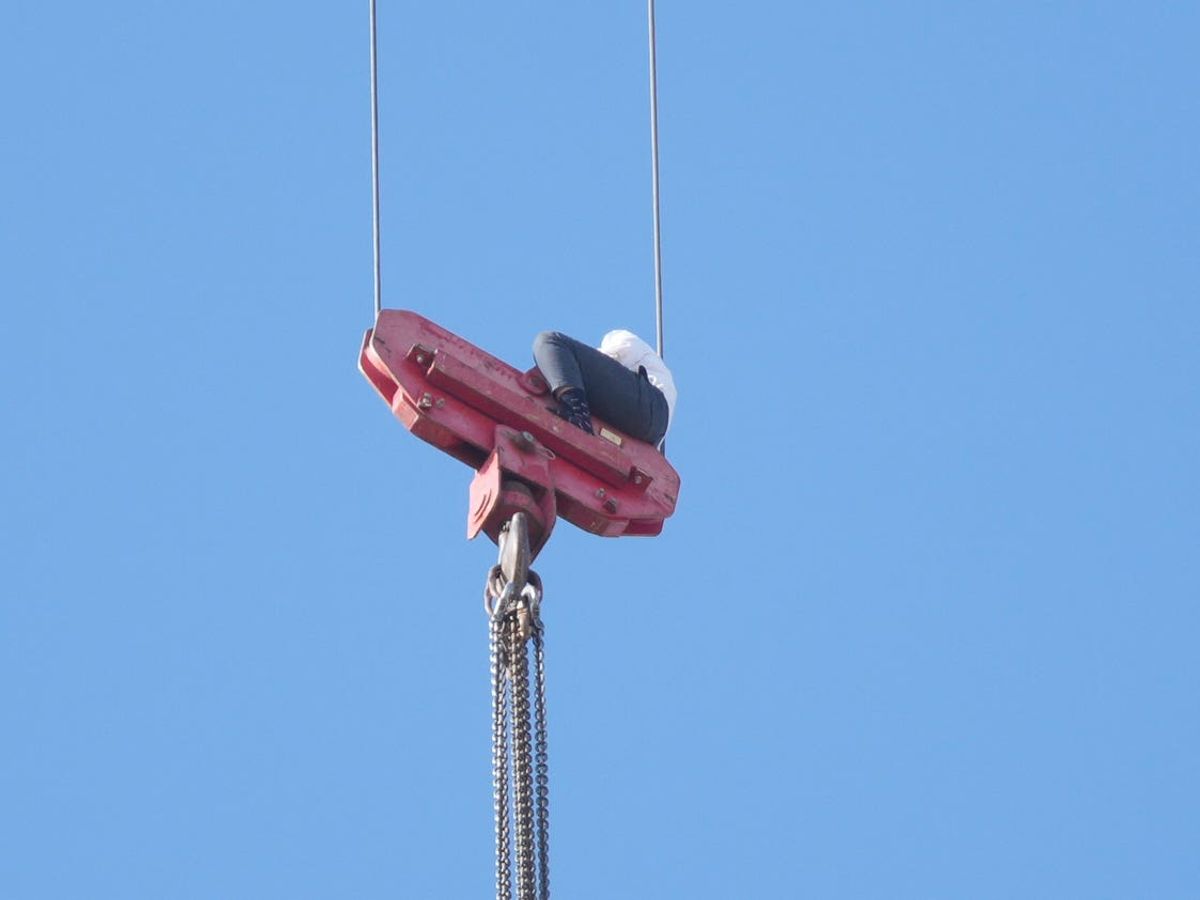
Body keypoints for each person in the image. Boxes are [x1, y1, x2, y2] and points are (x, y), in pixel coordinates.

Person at [532, 329, 676, 446]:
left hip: (650, 406)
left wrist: (556, 368)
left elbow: (606, 361)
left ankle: (576, 412)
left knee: (550, 342)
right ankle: (578, 414)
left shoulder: (617, 337)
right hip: (649, 432)